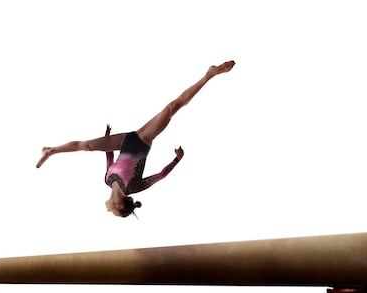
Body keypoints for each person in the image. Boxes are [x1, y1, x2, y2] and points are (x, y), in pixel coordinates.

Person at [36, 60, 235, 217]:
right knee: (172, 108)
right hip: (142, 141)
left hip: (123, 141)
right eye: (113, 213)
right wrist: (176, 159)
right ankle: (209, 75)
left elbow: (110, 160)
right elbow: (160, 176)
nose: (108, 211)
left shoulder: (106, 180)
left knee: (87, 146)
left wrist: (106, 138)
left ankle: (50, 150)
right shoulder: (134, 187)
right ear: (119, 205)